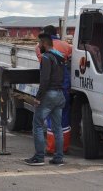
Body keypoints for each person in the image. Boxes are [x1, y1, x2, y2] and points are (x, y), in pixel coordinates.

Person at [25, 32, 66, 166]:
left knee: (37, 124)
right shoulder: (60, 57)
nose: (38, 45)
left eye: (39, 43)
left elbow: (45, 79)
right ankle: (59, 158)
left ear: (44, 43)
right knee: (57, 127)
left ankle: (39, 157)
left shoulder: (47, 58)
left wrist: (38, 97)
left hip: (49, 94)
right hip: (60, 94)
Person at [35, 25, 72, 155]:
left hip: (50, 90)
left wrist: (38, 96)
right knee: (63, 121)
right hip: (63, 89)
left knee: (43, 123)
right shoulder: (67, 47)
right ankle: (62, 151)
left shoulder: (44, 54)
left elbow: (45, 75)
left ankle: (50, 149)